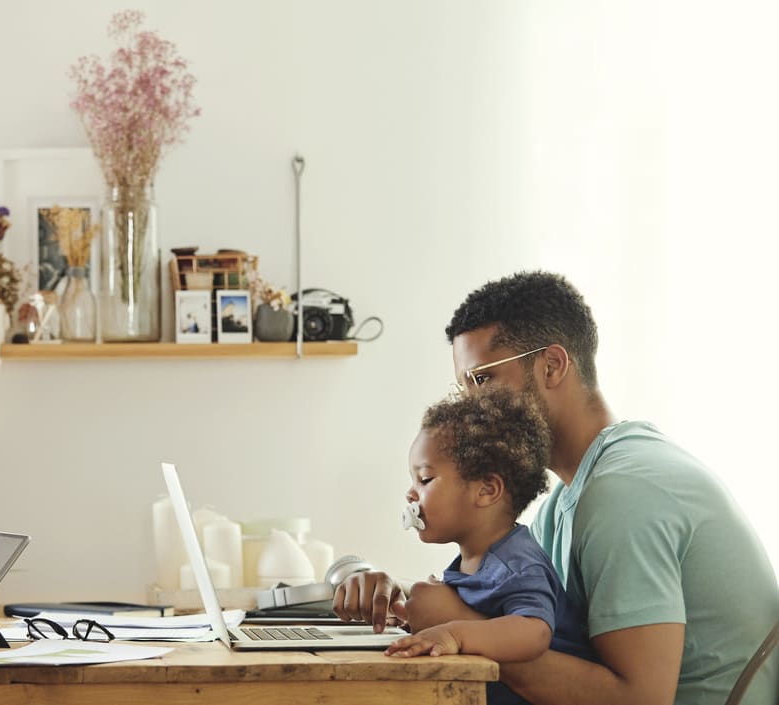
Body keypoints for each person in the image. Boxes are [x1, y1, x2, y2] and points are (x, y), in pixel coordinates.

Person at [334, 270, 779, 705]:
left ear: (551, 365)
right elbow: (527, 621)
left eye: (482, 379)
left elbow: (638, 699)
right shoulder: (564, 501)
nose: (471, 404)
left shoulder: (626, 493)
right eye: (463, 386)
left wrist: (456, 624)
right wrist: (403, 598)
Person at [384, 388, 595, 705]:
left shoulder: (517, 563)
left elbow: (534, 631)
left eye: (425, 480)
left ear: (486, 490)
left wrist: (454, 633)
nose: (410, 495)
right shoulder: (476, 559)